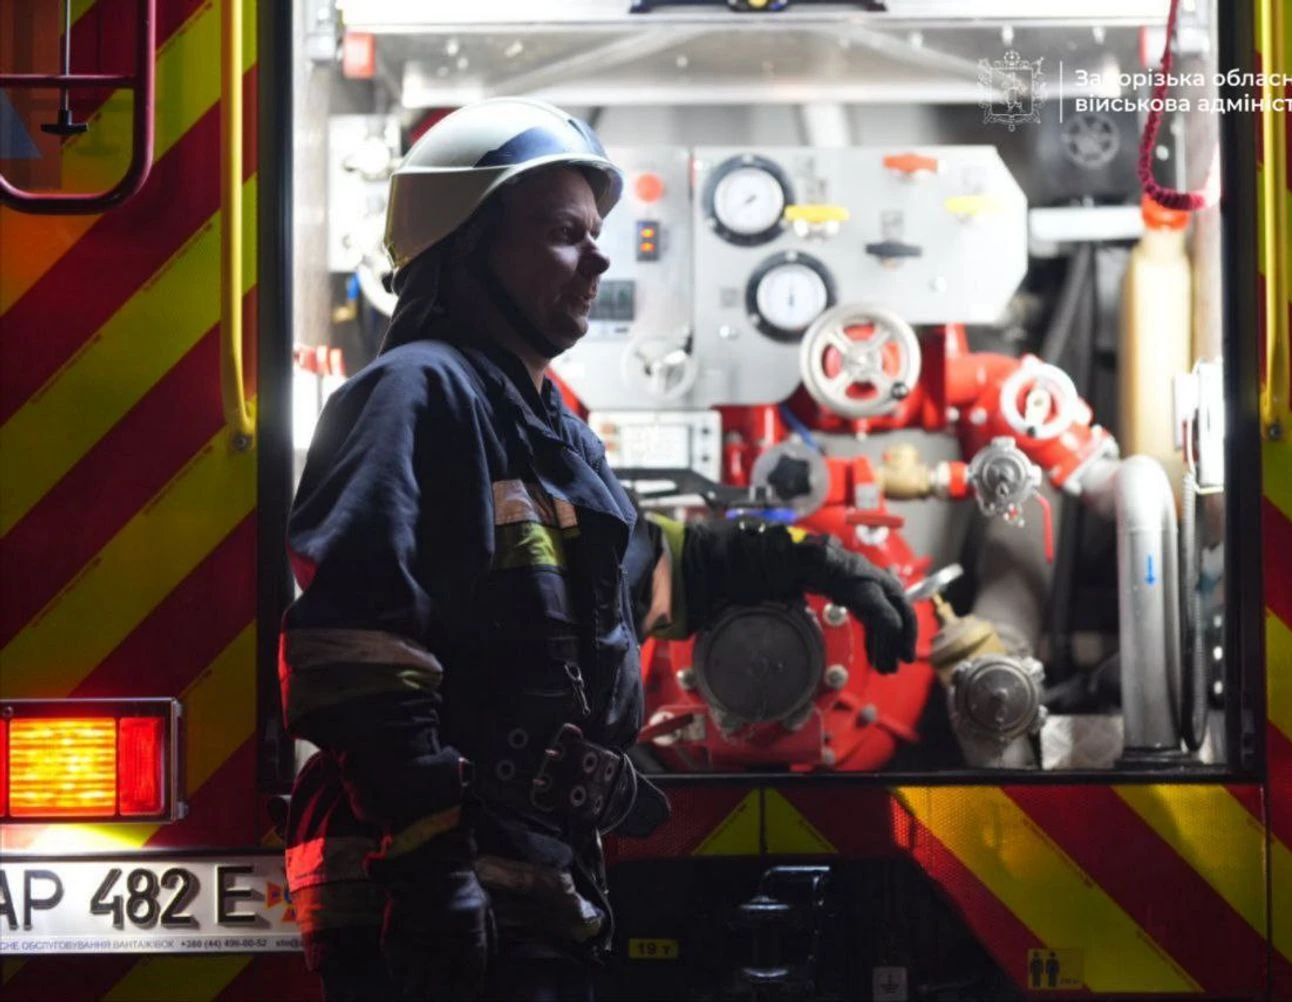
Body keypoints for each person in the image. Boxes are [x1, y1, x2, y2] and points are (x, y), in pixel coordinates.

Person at [279, 97, 919, 1002]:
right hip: (422, 891)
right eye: (562, 233)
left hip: (528, 883)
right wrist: (428, 868)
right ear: (463, 248)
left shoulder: (547, 430)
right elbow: (357, 654)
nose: (599, 257)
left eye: (596, 232)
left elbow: (644, 576)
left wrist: (818, 562)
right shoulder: (414, 393)